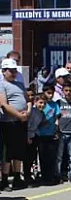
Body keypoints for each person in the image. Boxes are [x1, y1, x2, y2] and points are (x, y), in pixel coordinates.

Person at [0, 58, 29, 191]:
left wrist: (27, 113)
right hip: (8, 122)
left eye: (14, 70)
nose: (13, 73)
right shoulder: (2, 85)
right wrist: (18, 115)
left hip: (20, 122)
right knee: (7, 152)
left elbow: (27, 100)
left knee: (19, 150)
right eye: (10, 71)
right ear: (4, 71)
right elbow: (4, 104)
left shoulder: (20, 84)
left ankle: (18, 177)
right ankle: (5, 179)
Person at [27, 86, 60, 185]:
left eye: (44, 103)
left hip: (50, 134)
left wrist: (56, 130)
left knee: (50, 157)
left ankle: (49, 177)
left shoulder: (53, 106)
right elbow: (29, 125)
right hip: (39, 135)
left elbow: (57, 118)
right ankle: (37, 176)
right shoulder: (34, 111)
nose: (43, 104)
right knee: (39, 156)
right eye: (47, 93)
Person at [56, 83, 71, 183]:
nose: (68, 93)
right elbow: (56, 116)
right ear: (62, 91)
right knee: (59, 156)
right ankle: (58, 174)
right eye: (66, 90)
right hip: (61, 132)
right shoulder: (59, 103)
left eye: (70, 91)